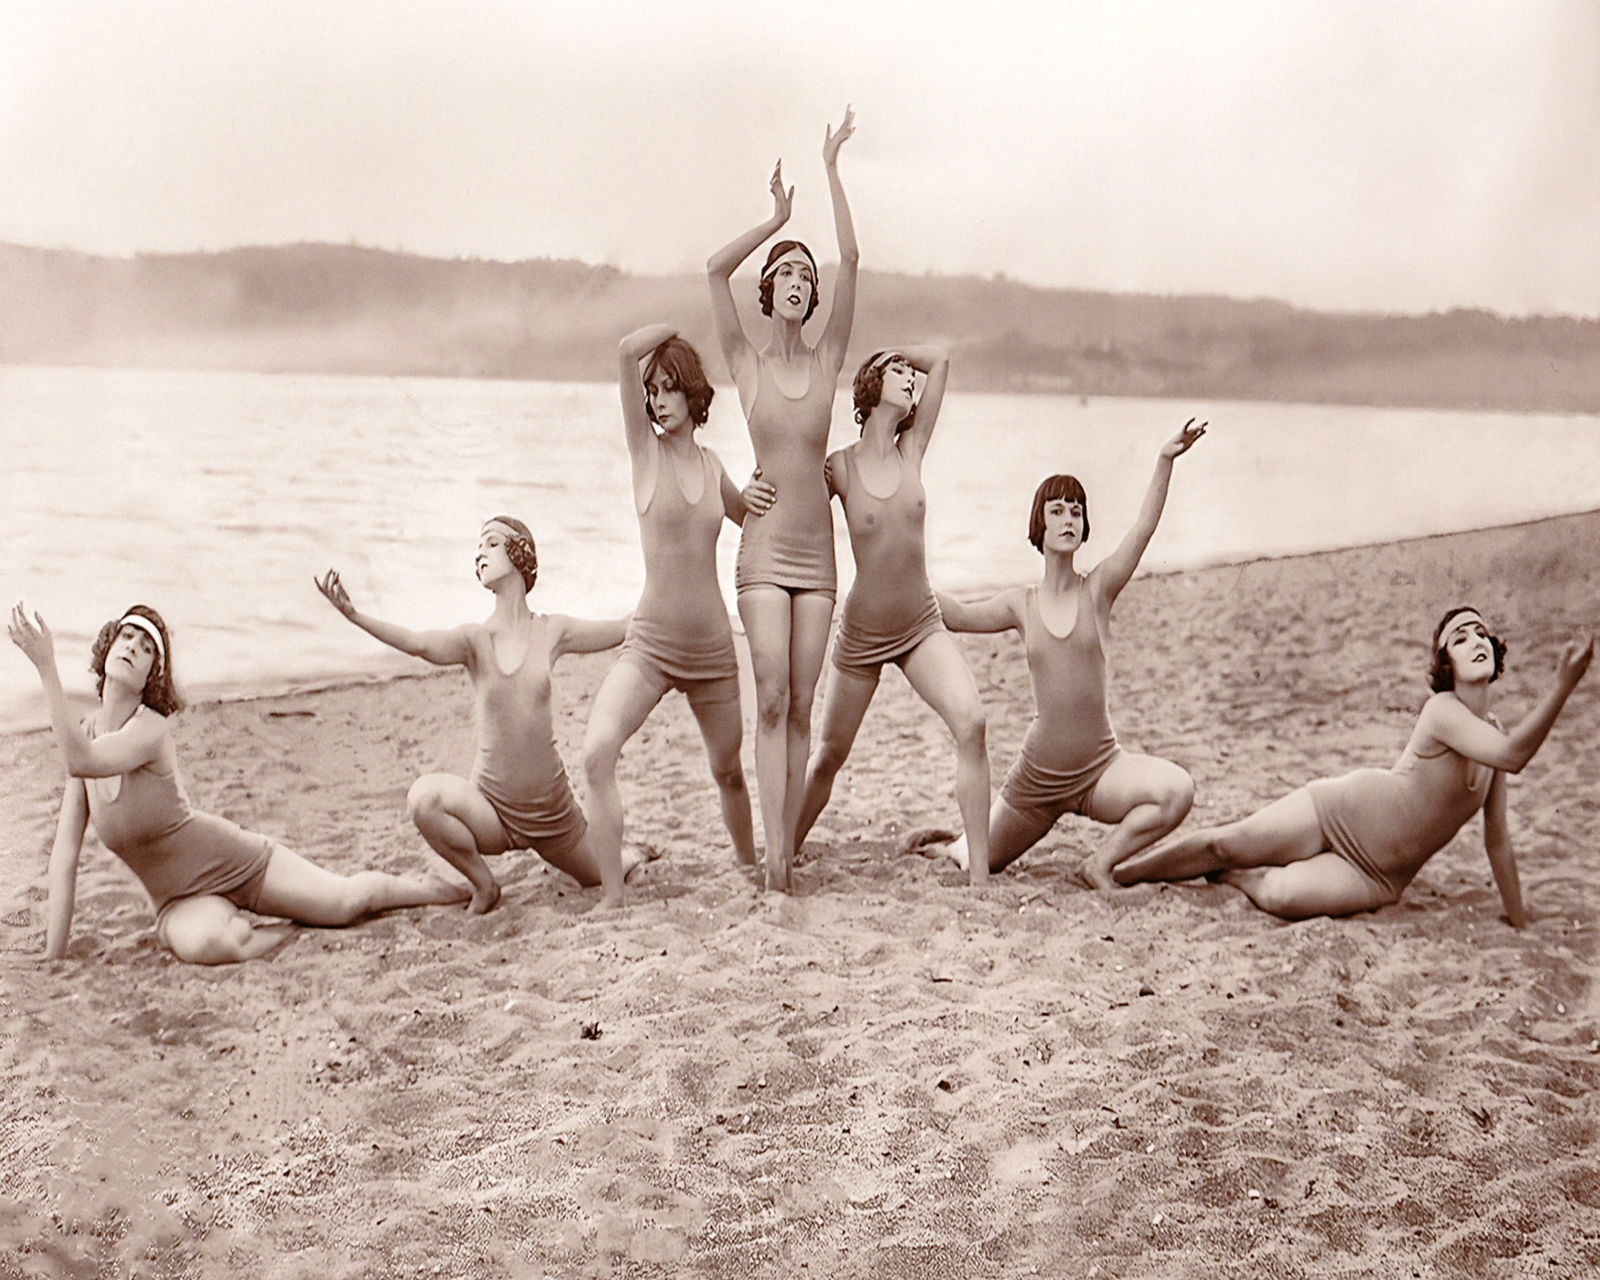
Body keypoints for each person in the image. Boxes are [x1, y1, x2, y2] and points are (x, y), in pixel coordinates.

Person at [8, 603, 468, 964]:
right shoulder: (87, 733)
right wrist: (55, 955)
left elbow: (80, 758)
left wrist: (47, 668)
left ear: (153, 677)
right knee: (209, 946)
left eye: (147, 648)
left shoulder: (150, 729)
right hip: (175, 901)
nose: (133, 647)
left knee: (349, 903)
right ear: (107, 647)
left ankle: (439, 889)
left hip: (236, 863)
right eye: (126, 636)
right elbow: (64, 857)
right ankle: (290, 926)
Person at [1115, 608, 1594, 922]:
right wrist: (1563, 686)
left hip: (1381, 879)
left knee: (1282, 897)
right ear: (1445, 663)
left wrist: (1519, 920)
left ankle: (1237, 878)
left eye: (1481, 633)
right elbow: (1517, 758)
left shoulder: (1494, 734)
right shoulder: (1442, 710)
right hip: (1339, 812)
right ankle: (1124, 875)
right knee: (1227, 842)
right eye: (1459, 637)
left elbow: (1499, 840)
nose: (1476, 641)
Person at [935, 422, 1206, 887]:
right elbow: (956, 614)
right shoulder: (1019, 603)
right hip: (1036, 783)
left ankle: (1098, 865)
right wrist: (893, 575)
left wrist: (1165, 459)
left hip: (1100, 770)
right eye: (1056, 510)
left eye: (1075, 512)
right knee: (970, 856)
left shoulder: (1097, 590)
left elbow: (1142, 530)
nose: (1067, 519)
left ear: (1083, 529)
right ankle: (948, 840)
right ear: (1038, 526)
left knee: (1177, 791)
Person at [316, 517, 629, 912]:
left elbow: (622, 628)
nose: (480, 552)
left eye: (491, 543)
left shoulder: (553, 631)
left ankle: (630, 852)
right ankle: (484, 885)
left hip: (553, 815)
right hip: (492, 810)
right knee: (423, 798)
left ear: (520, 552)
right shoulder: (474, 641)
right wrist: (354, 616)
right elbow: (417, 644)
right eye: (478, 546)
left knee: (612, 870)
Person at [706, 107, 858, 891]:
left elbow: (855, 258)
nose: (798, 282)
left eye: (806, 274)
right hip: (764, 548)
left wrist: (830, 170)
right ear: (769, 292)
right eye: (786, 274)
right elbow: (709, 271)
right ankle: (772, 857)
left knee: (801, 702)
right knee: (769, 696)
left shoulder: (832, 359)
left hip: (819, 555)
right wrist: (775, 221)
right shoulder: (746, 362)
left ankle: (788, 846)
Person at [788, 347, 991, 885]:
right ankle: (782, 851)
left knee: (972, 723)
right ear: (870, 386)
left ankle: (981, 875)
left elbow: (942, 363)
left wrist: (897, 351)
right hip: (862, 632)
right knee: (829, 754)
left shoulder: (913, 449)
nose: (910, 379)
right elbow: (792, 502)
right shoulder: (839, 467)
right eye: (897, 373)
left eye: (908, 373)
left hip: (921, 624)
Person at [581, 326, 766, 876]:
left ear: (692, 393)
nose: (658, 398)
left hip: (711, 648)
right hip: (652, 645)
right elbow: (622, 350)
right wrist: (674, 334)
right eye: (653, 389)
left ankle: (748, 868)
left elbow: (748, 514)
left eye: (669, 386)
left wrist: (763, 493)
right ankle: (612, 889)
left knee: (728, 771)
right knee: (597, 751)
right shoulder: (644, 452)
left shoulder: (712, 467)